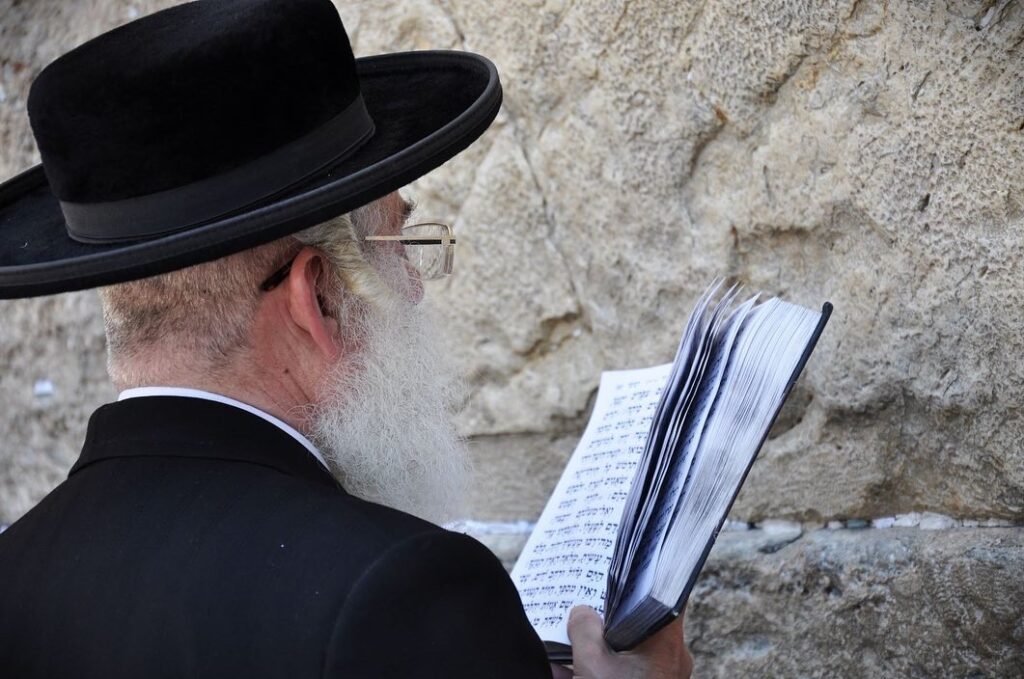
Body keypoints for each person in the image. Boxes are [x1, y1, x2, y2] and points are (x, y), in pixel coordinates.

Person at [0, 1, 694, 677]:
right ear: (319, 297)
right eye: (401, 245)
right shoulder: (400, 589)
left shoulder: (15, 573)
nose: (417, 289)